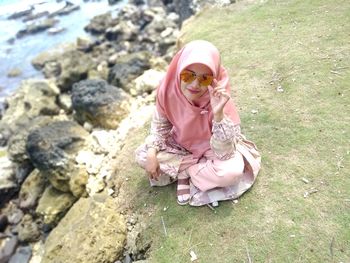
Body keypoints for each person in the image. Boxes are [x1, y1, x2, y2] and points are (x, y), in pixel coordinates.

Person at [135, 40, 261, 206]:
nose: (195, 84)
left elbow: (225, 152)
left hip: (212, 148)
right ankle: (198, 172)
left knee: (232, 172)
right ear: (178, 70)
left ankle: (186, 172)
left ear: (214, 79)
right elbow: (160, 127)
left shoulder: (219, 99)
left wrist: (218, 114)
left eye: (205, 79)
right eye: (188, 75)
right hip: (180, 145)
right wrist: (152, 153)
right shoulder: (167, 90)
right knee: (142, 155)